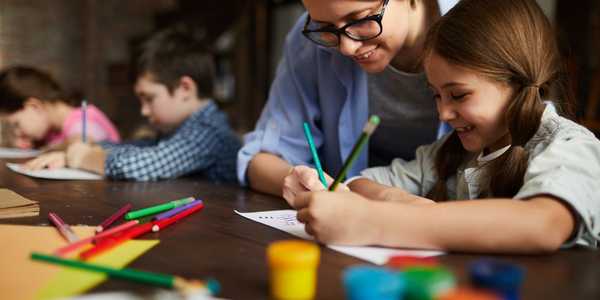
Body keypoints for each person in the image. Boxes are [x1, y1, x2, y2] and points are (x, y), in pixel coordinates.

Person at [285, 0, 600, 253]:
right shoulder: (447, 154)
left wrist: (375, 222)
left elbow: (543, 225)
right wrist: (402, 202)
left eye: (458, 95)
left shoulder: (570, 147)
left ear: (515, 83)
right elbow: (360, 183)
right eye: (436, 96)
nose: (444, 113)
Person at [238, 0, 459, 196]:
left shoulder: (480, 29)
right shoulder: (311, 41)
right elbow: (259, 160)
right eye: (325, 27)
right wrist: (300, 180)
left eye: (360, 19)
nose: (346, 48)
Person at [24, 25, 241, 182]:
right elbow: (136, 148)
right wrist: (87, 148)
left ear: (185, 89)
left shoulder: (207, 130)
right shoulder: (181, 127)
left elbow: (141, 165)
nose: (144, 110)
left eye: (149, 98)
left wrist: (82, 157)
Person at [0, 66, 120, 151]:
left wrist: (46, 149)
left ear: (34, 106)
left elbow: (84, 141)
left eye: (17, 124)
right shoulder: (51, 132)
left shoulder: (85, 116)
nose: (17, 132)